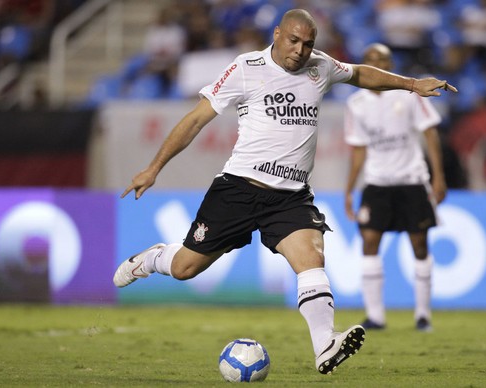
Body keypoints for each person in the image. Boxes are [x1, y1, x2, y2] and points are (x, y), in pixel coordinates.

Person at [114, 9, 456, 374]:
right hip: (240, 189)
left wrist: (411, 84)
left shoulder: (320, 67)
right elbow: (196, 118)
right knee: (185, 268)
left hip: (290, 197)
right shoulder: (246, 68)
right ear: (277, 34)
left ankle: (324, 345)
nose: (300, 50)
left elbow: (359, 73)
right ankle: (151, 259)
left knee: (311, 259)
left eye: (308, 44)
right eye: (294, 41)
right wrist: (153, 168)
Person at [343, 43, 447, 332]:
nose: (377, 63)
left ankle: (423, 315)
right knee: (369, 242)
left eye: (382, 59)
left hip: (412, 180)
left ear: (390, 64)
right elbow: (359, 151)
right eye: (370, 59)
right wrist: (349, 189)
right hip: (376, 183)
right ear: (363, 64)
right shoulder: (355, 104)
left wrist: (438, 177)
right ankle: (375, 316)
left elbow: (430, 133)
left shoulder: (410, 95)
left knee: (420, 244)